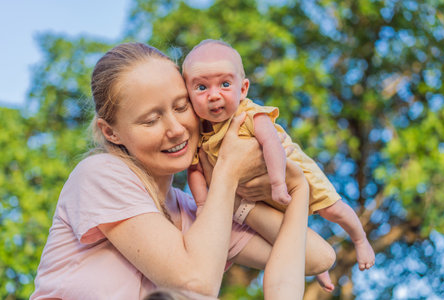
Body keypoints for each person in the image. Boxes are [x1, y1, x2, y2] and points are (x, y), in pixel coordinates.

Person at [30, 42, 334, 300]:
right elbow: (193, 282)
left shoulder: (195, 213)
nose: (175, 130)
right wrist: (228, 170)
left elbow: (316, 257)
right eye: (150, 120)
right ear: (111, 133)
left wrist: (296, 187)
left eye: (181, 107)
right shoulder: (100, 174)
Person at [183, 39, 375, 288]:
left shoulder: (249, 114)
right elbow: (195, 169)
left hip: (291, 174)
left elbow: (271, 144)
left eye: (225, 84)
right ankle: (316, 268)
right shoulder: (200, 134)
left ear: (243, 89)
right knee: (284, 232)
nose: (214, 95)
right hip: (258, 195)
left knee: (332, 209)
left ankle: (360, 239)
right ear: (188, 94)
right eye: (201, 87)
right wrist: (201, 205)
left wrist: (277, 182)